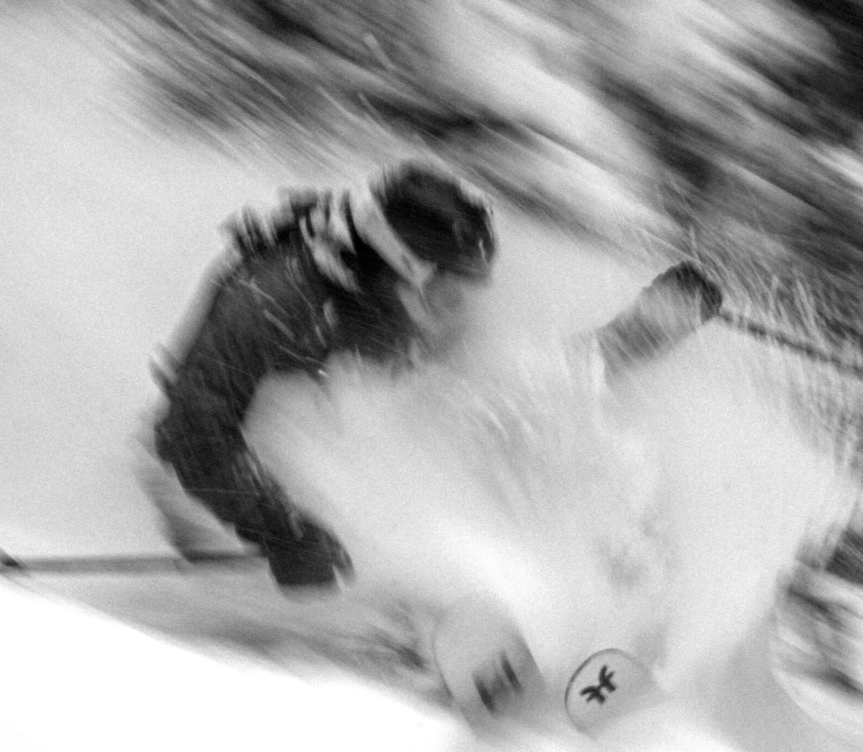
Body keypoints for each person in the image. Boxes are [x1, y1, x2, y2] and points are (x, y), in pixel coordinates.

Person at [147, 159, 721, 595]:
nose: (457, 304)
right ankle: (352, 598)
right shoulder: (272, 298)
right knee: (338, 454)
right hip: (215, 485)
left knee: (499, 419)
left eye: (466, 288)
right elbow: (191, 433)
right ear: (400, 263)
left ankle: (603, 576)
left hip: (328, 473)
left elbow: (523, 379)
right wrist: (285, 530)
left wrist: (646, 329)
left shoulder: (399, 303)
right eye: (446, 286)